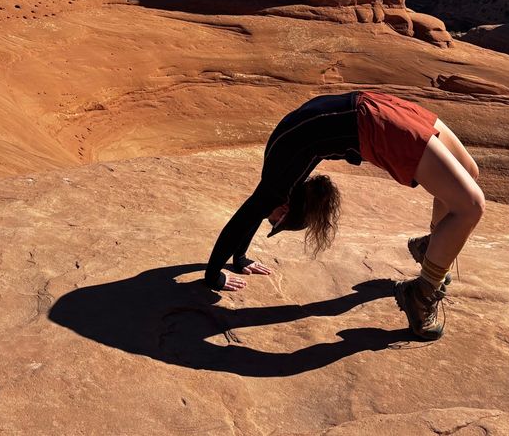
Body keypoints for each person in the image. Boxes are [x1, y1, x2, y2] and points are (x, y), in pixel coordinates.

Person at [204, 90, 484, 341]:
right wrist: (239, 259)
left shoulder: (279, 184)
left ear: (284, 210)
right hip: (375, 104)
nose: (268, 216)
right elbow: (255, 210)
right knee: (468, 178)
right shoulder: (281, 172)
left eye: (273, 220)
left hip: (377, 124)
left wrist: (214, 276)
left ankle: (419, 291)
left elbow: (246, 215)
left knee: (470, 204)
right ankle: (430, 262)